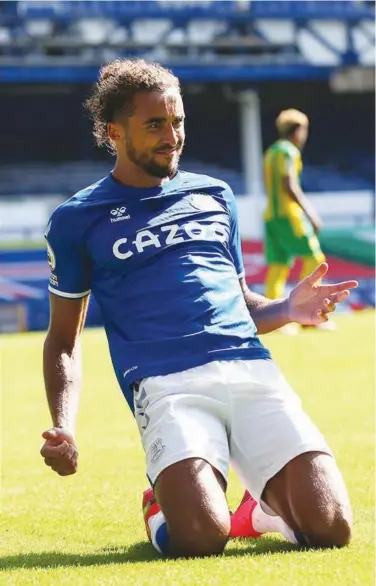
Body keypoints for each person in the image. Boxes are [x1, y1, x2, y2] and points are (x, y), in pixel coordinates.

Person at [40, 59, 356, 558]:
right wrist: (64, 423)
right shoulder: (76, 219)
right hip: (167, 386)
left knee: (331, 528)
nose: (172, 136)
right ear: (113, 132)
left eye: (178, 121)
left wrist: (287, 309)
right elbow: (63, 341)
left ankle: (263, 510)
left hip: (253, 371)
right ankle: (159, 506)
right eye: (155, 125)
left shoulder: (215, 195)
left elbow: (242, 305)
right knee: (201, 537)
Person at [263, 110, 328, 318]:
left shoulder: (271, 151)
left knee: (278, 265)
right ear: (299, 131)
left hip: (270, 216)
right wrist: (310, 213)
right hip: (288, 216)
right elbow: (288, 184)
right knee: (315, 259)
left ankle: (272, 316)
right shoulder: (288, 151)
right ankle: (308, 312)